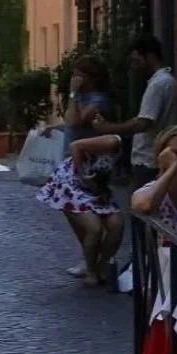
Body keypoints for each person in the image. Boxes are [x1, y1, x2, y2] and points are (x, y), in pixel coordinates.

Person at [38, 132, 124, 288]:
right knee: (94, 228)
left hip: (96, 186)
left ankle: (102, 267)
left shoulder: (140, 156)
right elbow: (75, 146)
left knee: (117, 225)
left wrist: (100, 190)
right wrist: (83, 175)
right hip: (72, 182)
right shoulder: (112, 142)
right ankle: (90, 271)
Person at [94, 35, 177, 190]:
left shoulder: (158, 84)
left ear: (149, 56)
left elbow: (143, 123)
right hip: (153, 157)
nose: (135, 67)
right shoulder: (165, 81)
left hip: (149, 160)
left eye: (137, 60)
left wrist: (107, 128)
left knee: (141, 203)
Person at [60, 55, 113, 278]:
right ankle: (90, 258)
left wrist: (72, 94)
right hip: (70, 161)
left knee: (80, 211)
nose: (74, 78)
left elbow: (75, 121)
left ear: (89, 77)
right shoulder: (82, 98)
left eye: (78, 75)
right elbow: (69, 122)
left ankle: (94, 261)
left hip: (85, 165)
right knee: (71, 209)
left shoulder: (98, 100)